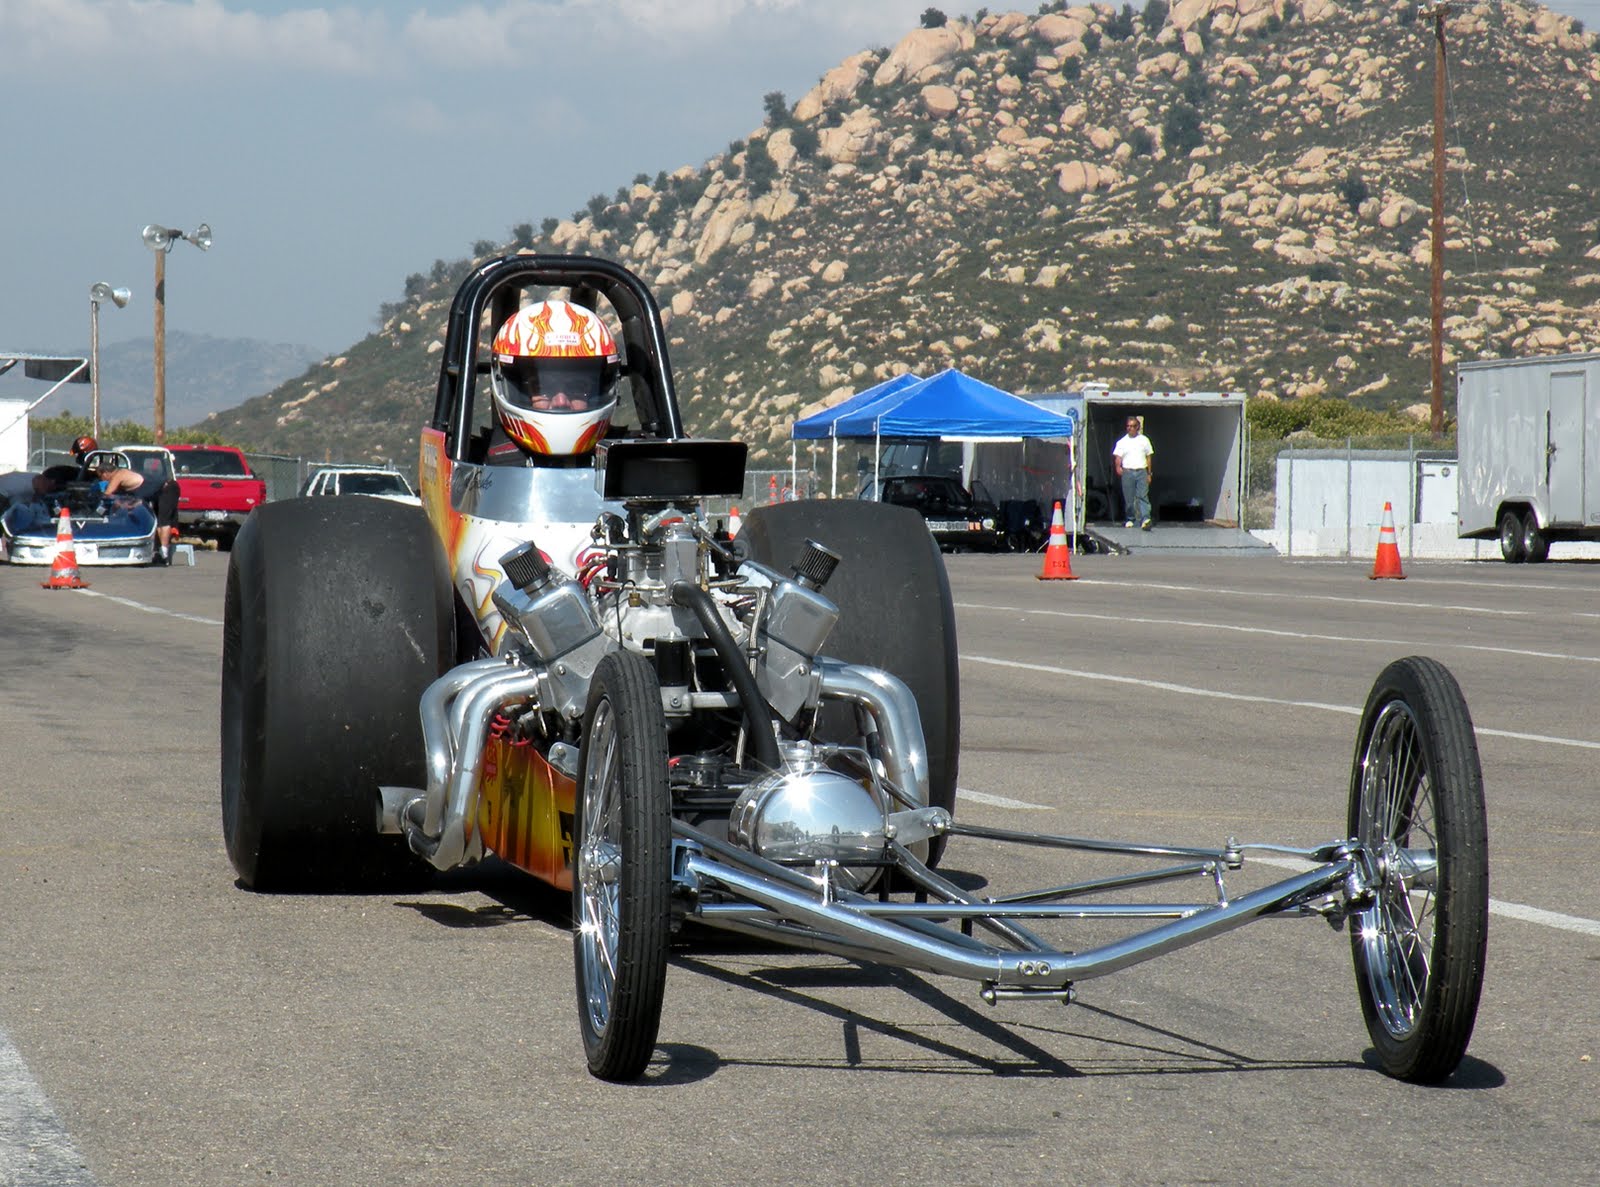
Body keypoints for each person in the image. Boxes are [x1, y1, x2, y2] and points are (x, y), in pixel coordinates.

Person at [482, 298, 622, 466]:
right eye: (542, 387)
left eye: (577, 387)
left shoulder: (628, 461)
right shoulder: (476, 462)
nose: (561, 402)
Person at [94, 456, 181, 564]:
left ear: (106, 473)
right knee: (156, 520)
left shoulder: (119, 475)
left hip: (167, 488)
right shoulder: (123, 477)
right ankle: (158, 551)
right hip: (158, 492)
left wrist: (95, 501)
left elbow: (107, 494)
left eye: (101, 477)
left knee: (163, 521)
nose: (102, 480)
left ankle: (164, 555)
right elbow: (122, 498)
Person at [1112, 415, 1154, 530]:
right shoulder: (1122, 442)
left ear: (1138, 427)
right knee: (1129, 499)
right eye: (1128, 426)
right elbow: (1118, 457)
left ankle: (1146, 518)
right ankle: (1131, 518)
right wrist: (1118, 467)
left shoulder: (1144, 440)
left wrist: (1149, 473)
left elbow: (1149, 457)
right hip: (1128, 472)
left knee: (1142, 496)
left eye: (1133, 426)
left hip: (1141, 471)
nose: (1130, 428)